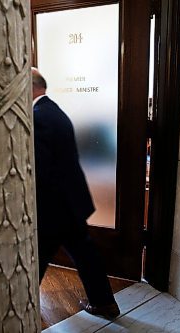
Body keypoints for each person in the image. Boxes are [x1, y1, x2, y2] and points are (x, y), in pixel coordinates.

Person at [32, 67, 120, 318]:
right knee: (86, 254)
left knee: (34, 261)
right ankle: (104, 303)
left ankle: (21, 307)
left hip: (53, 207)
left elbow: (41, 168)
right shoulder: (55, 111)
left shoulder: (38, 116)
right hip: (71, 201)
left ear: (31, 87)